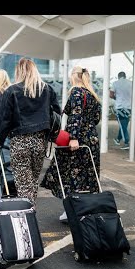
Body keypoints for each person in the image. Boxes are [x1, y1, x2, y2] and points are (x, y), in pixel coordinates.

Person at [0, 58, 60, 208]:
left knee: (23, 185)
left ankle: (27, 217)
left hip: (20, 142)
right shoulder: (47, 89)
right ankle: (30, 212)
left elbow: (4, 121)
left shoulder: (12, 91)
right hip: (40, 142)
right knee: (32, 182)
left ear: (18, 71)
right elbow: (57, 113)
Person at [41, 66, 102, 222]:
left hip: (77, 139)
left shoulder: (76, 92)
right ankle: (86, 209)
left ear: (75, 76)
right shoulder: (92, 94)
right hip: (91, 139)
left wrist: (73, 137)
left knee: (67, 172)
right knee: (88, 174)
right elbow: (96, 118)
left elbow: (75, 115)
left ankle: (72, 209)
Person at [110, 71, 132, 150]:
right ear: (125, 76)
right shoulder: (131, 83)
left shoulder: (115, 83)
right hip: (129, 107)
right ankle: (118, 139)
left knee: (122, 125)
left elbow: (111, 95)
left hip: (120, 107)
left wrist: (116, 98)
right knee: (124, 125)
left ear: (118, 76)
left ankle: (126, 142)